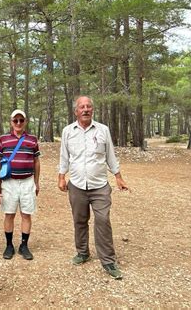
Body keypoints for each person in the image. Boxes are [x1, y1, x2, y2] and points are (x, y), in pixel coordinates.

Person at [58, 96, 128, 280]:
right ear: (76, 111)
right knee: (79, 220)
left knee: (103, 220)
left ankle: (108, 260)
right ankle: (82, 252)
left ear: (93, 110)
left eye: (88, 106)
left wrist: (118, 176)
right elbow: (64, 157)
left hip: (99, 186)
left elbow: (110, 155)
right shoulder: (68, 131)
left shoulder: (103, 130)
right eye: (82, 107)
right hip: (77, 185)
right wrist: (61, 177)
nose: (85, 109)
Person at [0, 109, 40, 261]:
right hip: (9, 182)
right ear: (11, 122)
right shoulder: (4, 139)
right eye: (16, 120)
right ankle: (9, 245)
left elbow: (36, 161)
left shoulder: (32, 139)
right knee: (9, 213)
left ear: (25, 122)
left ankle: (24, 245)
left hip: (27, 181)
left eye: (21, 120)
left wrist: (36, 181)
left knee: (26, 214)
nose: (18, 123)